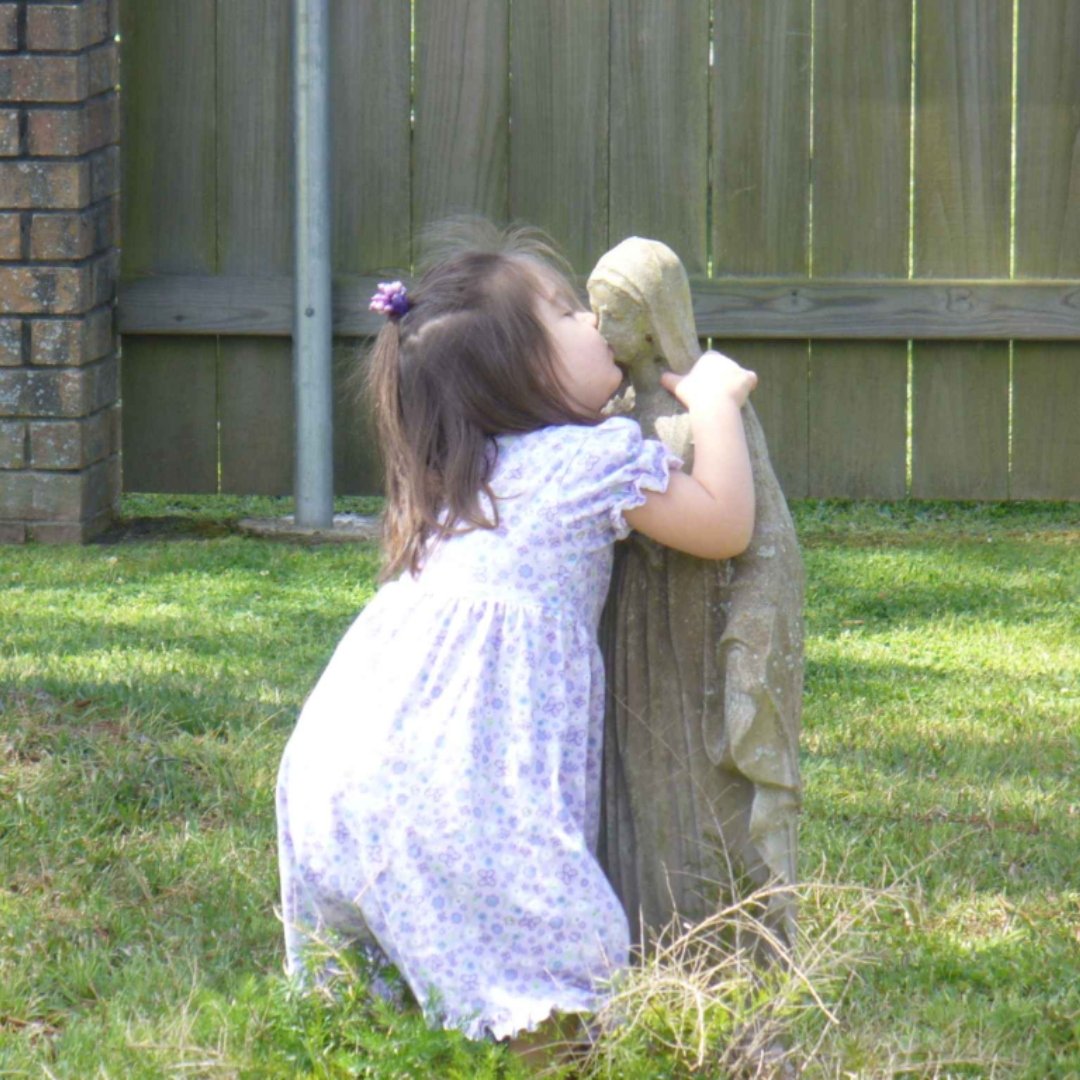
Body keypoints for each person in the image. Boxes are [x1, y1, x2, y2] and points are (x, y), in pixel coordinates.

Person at [274, 221, 757, 1049]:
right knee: (554, 972)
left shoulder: (452, 486)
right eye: (567, 313)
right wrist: (713, 406)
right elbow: (723, 524)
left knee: (378, 1016)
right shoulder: (581, 461)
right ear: (522, 369)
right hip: (452, 791)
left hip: (331, 767)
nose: (590, 323)